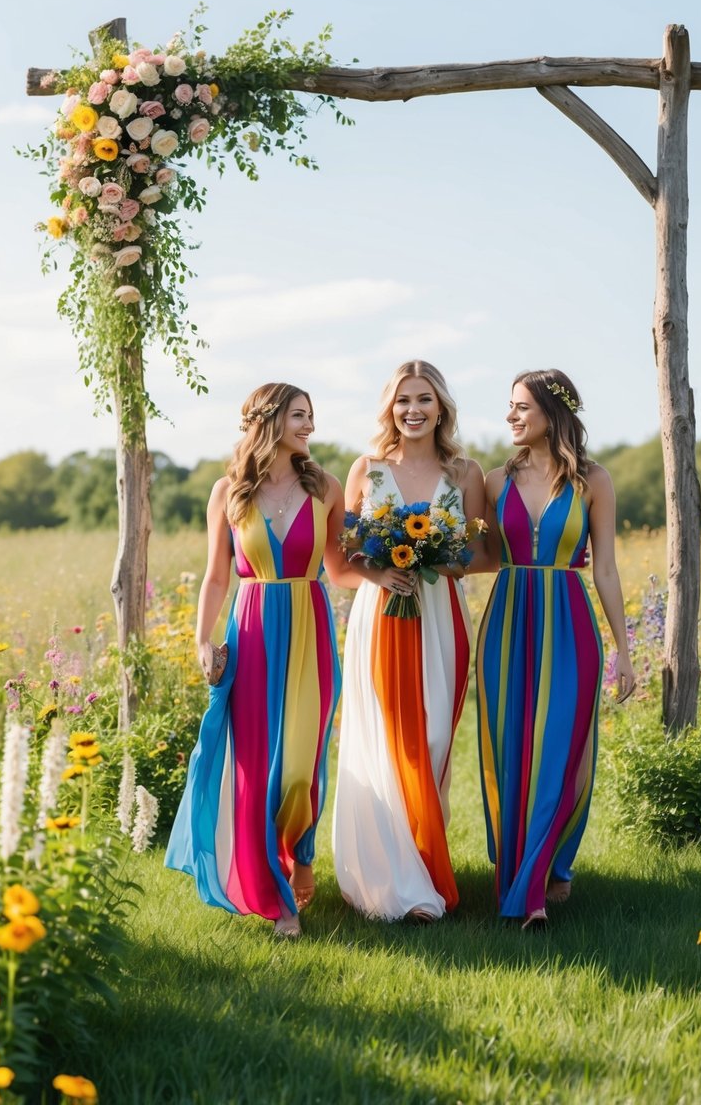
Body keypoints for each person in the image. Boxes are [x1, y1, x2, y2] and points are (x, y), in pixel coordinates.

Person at [165, 382, 358, 939]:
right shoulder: (228, 492)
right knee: (254, 770)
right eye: (300, 416)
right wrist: (203, 641)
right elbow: (216, 575)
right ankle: (280, 900)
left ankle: (301, 851)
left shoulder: (325, 487)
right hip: (248, 633)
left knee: (300, 765)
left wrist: (388, 572)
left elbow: (340, 565)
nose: (310, 427)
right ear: (268, 421)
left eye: (311, 416)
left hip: (309, 629)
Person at [476, 369, 635, 929]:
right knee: (511, 746)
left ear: (551, 412)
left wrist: (624, 648)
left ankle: (541, 880)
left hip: (570, 623)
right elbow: (481, 557)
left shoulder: (595, 480)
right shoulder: (494, 480)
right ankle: (528, 870)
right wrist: (405, 557)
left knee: (563, 750)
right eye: (510, 407)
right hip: (507, 623)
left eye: (521, 407)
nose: (511, 417)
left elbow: (608, 569)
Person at [333, 360, 486, 922]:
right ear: (390, 409)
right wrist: (378, 572)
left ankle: (424, 858)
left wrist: (445, 559)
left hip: (441, 614)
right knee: (388, 743)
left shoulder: (466, 473)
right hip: (382, 617)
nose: (413, 410)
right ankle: (399, 883)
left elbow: (484, 553)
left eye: (424, 399)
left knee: (435, 737)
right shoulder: (367, 468)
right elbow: (345, 554)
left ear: (441, 406)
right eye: (403, 401)